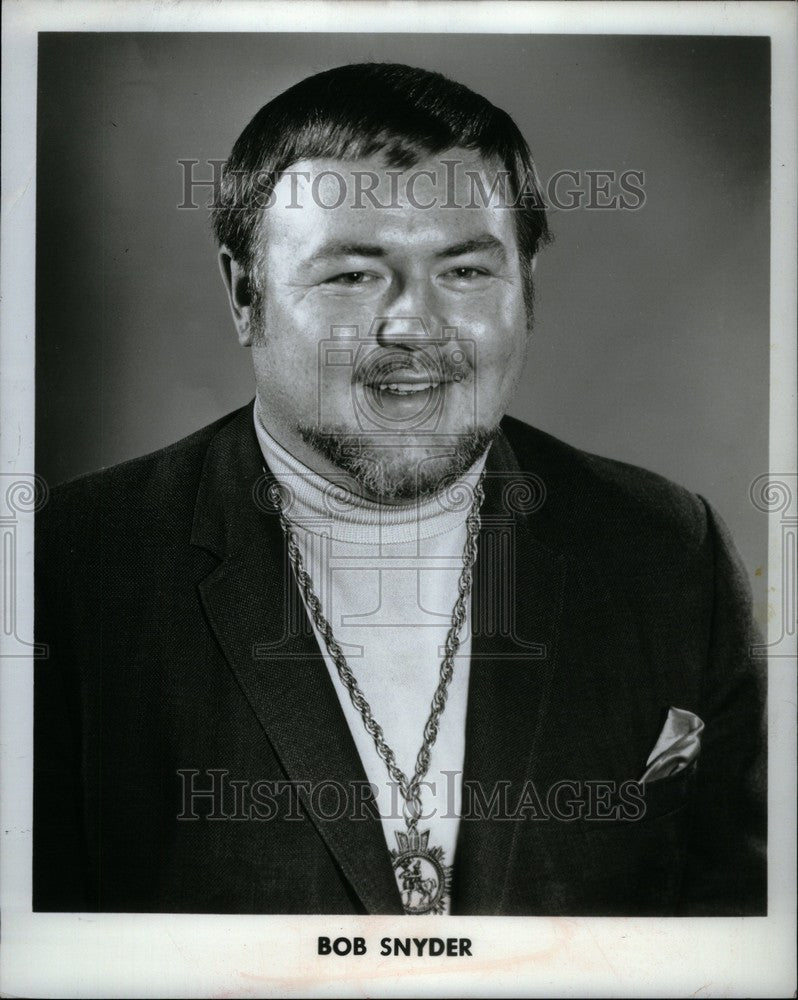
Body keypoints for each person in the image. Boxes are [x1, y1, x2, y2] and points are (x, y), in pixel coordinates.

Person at [34, 62, 766, 916]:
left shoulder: (665, 546)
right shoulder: (70, 566)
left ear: (526, 291)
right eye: (351, 275)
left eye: (464, 272)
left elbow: (737, 923)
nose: (414, 325)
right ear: (245, 294)